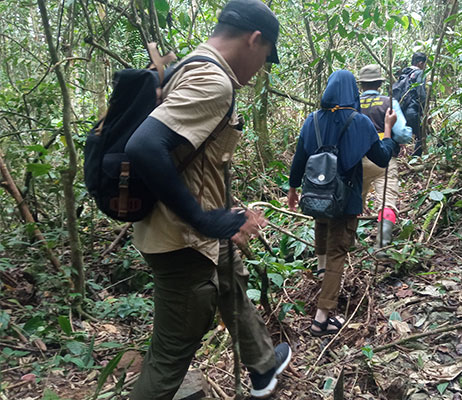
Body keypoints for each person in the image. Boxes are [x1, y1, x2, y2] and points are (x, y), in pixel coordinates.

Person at [124, 1, 290, 398]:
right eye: (265, 57)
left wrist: (218, 216)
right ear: (254, 40)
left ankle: (263, 367)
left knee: (231, 274)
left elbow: (188, 161)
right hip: (180, 242)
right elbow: (144, 146)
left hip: (190, 232)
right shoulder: (212, 81)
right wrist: (202, 218)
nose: (261, 69)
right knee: (169, 356)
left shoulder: (188, 65)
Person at [287, 70, 400, 336]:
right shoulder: (358, 122)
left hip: (317, 196)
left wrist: (293, 188)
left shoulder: (311, 120)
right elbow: (383, 158)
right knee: (338, 252)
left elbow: (299, 158)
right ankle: (322, 317)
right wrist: (387, 129)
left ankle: (322, 279)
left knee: (324, 241)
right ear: (353, 91)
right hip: (345, 198)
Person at [357, 64, 412, 250]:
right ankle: (382, 245)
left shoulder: (353, 104)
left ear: (361, 85)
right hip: (385, 159)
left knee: (355, 201)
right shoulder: (389, 102)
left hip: (357, 160)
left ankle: (351, 241)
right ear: (380, 83)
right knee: (387, 202)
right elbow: (403, 134)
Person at [393, 52, 427, 157]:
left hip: (401, 111)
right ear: (420, 63)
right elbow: (421, 94)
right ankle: (416, 160)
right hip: (412, 111)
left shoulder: (404, 73)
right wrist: (425, 111)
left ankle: (393, 156)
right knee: (421, 136)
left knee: (399, 136)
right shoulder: (419, 73)